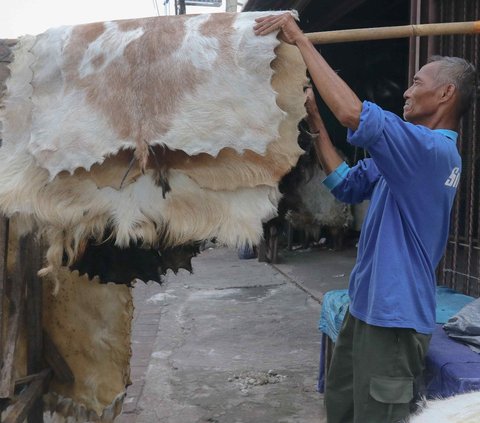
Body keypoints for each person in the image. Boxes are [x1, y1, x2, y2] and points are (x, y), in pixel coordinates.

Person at [254, 13, 477, 423]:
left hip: (394, 318)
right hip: (366, 308)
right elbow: (345, 185)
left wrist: (299, 39)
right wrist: (315, 116)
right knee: (342, 407)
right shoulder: (407, 157)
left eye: (416, 84)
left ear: (445, 95)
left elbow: (354, 114)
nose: (407, 92)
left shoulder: (430, 151)